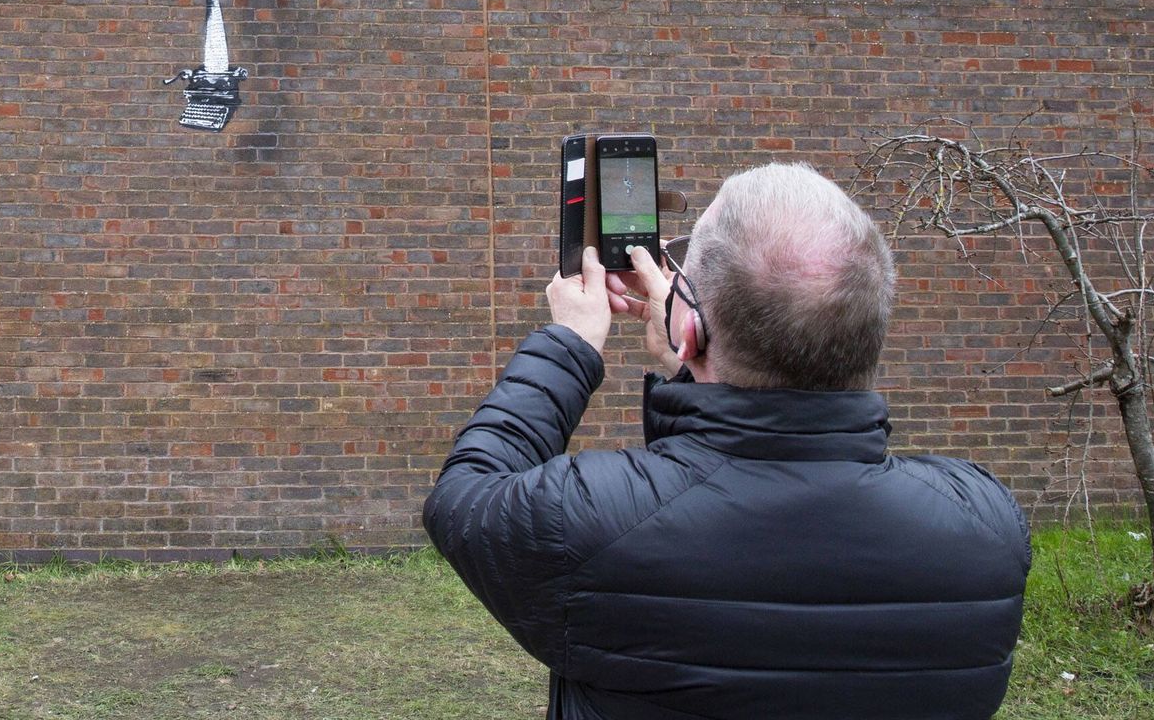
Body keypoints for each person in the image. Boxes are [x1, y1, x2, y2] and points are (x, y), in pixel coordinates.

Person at [423, 163, 1031, 720]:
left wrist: (572, 343)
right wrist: (689, 369)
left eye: (680, 267)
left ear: (687, 326)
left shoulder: (587, 524)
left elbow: (465, 496)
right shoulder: (987, 526)